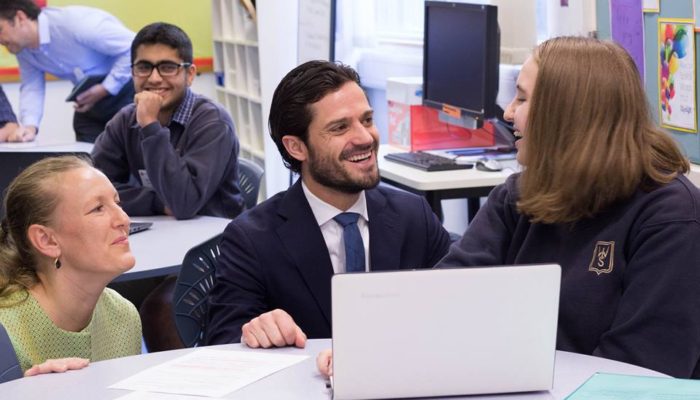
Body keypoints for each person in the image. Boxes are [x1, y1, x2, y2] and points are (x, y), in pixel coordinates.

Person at [319, 36, 700, 379]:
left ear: (565, 113)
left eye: (522, 97)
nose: (507, 113)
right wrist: (368, 348)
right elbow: (445, 293)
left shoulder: (669, 216)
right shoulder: (521, 194)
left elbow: (641, 371)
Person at [205, 60, 452, 348]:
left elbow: (459, 307)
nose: (364, 137)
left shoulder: (414, 215)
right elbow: (223, 340)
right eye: (340, 128)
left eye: (367, 120)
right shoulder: (251, 238)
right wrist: (254, 331)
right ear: (296, 147)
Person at [0, 156, 142, 376]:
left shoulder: (122, 316)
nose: (123, 218)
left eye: (117, 202)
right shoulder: (6, 331)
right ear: (47, 241)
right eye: (97, 209)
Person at [92, 22, 243, 220]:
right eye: (144, 67)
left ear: (189, 75)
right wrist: (156, 202)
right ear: (132, 73)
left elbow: (184, 203)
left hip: (215, 239)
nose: (154, 78)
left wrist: (149, 125)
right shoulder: (125, 119)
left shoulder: (213, 121)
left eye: (168, 67)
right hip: (159, 229)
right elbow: (93, 190)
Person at [0, 0, 135, 143]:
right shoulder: (23, 49)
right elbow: (32, 86)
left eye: (0, 29)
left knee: (129, 155)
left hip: (125, 90)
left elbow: (133, 46)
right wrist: (29, 127)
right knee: (84, 160)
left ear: (20, 18)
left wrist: (107, 87)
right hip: (90, 101)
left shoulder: (77, 24)